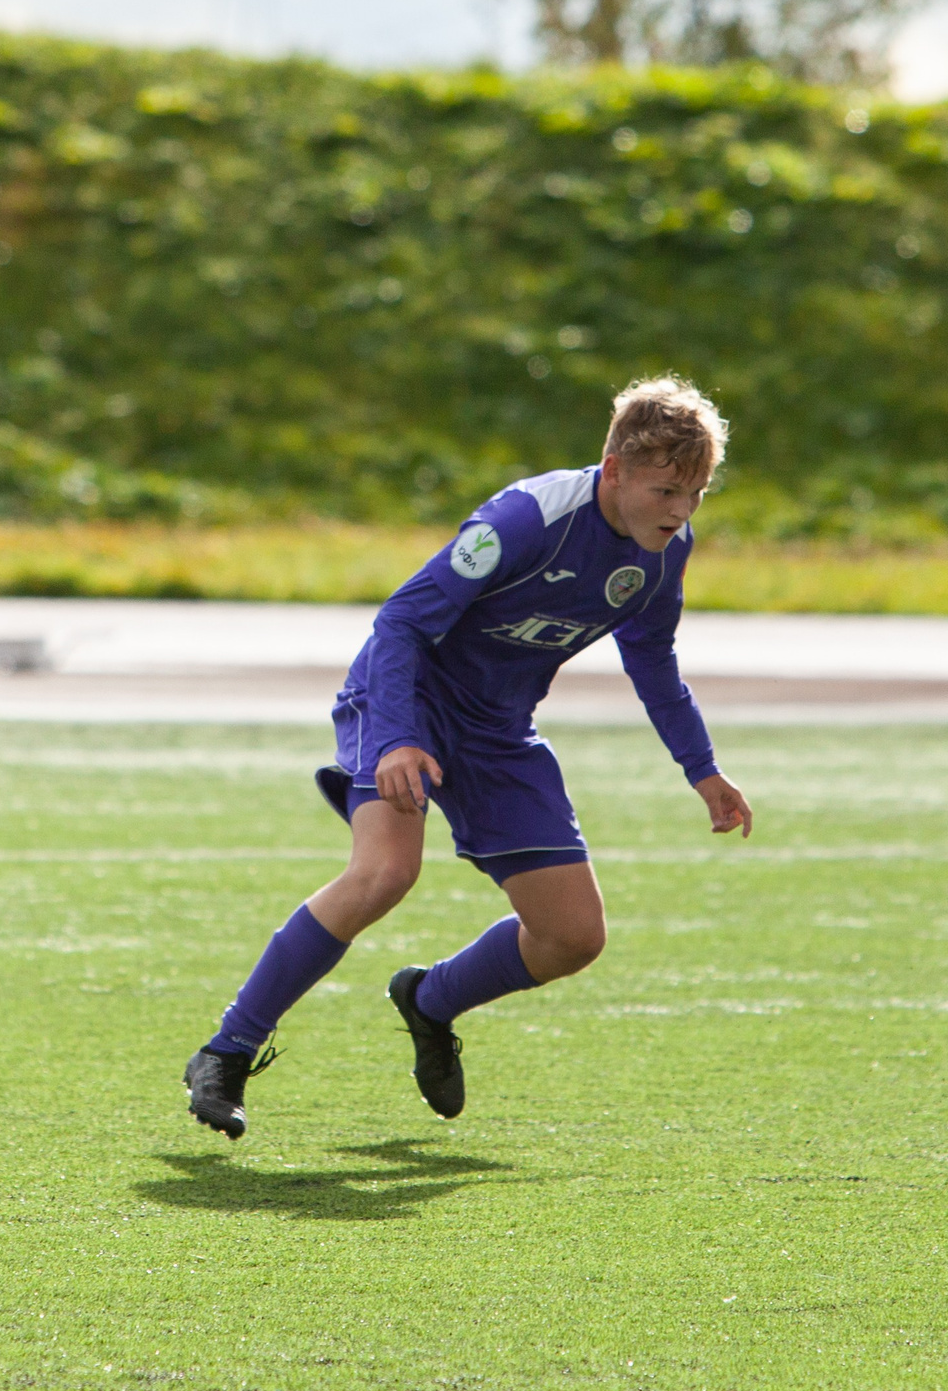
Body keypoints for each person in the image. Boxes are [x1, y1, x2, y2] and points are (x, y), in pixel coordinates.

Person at [183, 377, 755, 1139]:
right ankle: (226, 1050)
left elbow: (652, 658)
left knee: (572, 936)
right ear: (614, 471)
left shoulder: (664, 551)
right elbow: (400, 624)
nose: (681, 510)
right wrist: (395, 736)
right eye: (666, 490)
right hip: (405, 700)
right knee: (385, 871)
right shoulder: (528, 517)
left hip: (497, 730)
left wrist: (702, 768)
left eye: (697, 492)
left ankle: (430, 999)